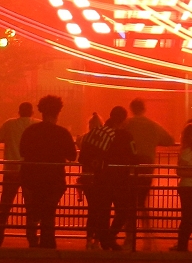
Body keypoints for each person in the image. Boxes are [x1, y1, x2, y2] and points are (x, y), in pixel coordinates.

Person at [17, 95, 76, 249]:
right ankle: (48, 242)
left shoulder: (31, 131)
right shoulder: (62, 133)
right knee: (49, 212)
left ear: (41, 112)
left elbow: (22, 151)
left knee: (33, 210)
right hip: (54, 178)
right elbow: (72, 155)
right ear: (58, 112)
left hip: (31, 177)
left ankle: (33, 241)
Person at [122, 98, 174, 250]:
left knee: (129, 202)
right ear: (144, 109)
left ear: (131, 109)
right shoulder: (153, 125)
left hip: (130, 167)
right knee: (141, 201)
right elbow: (169, 140)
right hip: (147, 167)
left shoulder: (127, 124)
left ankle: (129, 236)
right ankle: (147, 234)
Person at [0, 101, 34, 247]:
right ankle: (32, 237)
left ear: (19, 111)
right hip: (28, 170)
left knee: (5, 204)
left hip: (11, 169)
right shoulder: (35, 125)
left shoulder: (9, 124)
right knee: (31, 205)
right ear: (32, 112)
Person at [99, 107, 141, 250]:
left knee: (103, 211)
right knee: (123, 210)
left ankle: (105, 240)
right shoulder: (126, 136)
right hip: (121, 178)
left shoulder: (102, 134)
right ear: (124, 119)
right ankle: (110, 237)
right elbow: (134, 155)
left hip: (103, 177)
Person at [77, 112, 116, 249]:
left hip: (87, 178)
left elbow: (81, 158)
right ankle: (97, 240)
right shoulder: (105, 139)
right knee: (101, 210)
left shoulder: (85, 138)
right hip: (100, 178)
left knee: (92, 209)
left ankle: (89, 239)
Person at [172, 122, 192, 252]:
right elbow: (180, 171)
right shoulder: (187, 151)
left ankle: (182, 244)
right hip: (188, 188)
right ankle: (182, 245)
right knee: (188, 217)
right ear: (191, 136)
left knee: (191, 217)